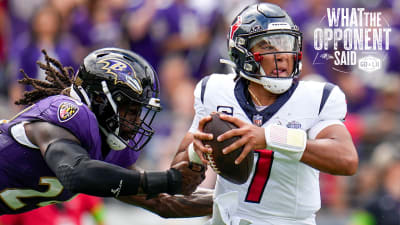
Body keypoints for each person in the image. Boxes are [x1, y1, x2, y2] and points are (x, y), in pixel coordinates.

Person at [172, 3, 358, 225]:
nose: (282, 56)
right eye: (268, 46)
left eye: (286, 44)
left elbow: (347, 159)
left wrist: (270, 138)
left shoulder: (317, 95)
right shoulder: (214, 90)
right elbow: (178, 179)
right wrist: (196, 152)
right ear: (242, 52)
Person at [0, 47, 212, 217]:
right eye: (130, 110)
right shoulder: (67, 113)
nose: (137, 121)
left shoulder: (107, 145)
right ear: (100, 99)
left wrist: (231, 200)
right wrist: (169, 179)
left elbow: (162, 201)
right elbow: (76, 173)